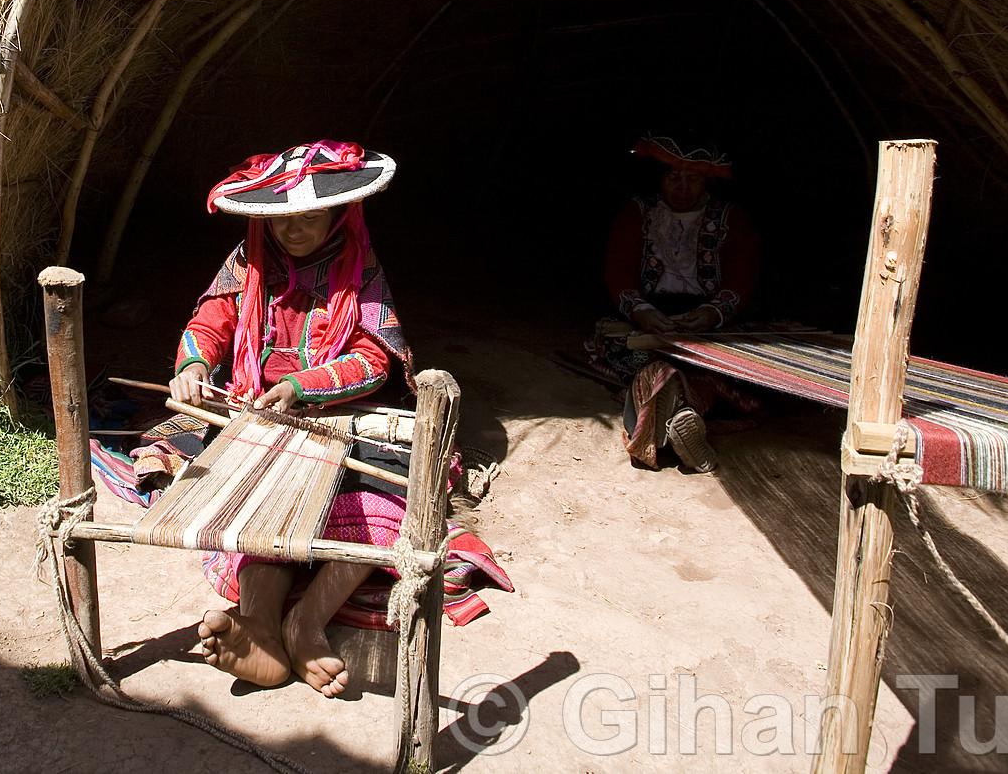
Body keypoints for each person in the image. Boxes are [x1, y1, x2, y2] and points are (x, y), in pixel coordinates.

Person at [157, 141, 508, 696]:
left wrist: (303, 386)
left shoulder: (356, 266)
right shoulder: (248, 261)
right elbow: (211, 320)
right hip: (257, 409)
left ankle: (306, 622)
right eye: (282, 220)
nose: (294, 231)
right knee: (257, 504)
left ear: (339, 213)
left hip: (346, 416)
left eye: (310, 217)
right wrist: (194, 364)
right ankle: (263, 627)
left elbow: (374, 356)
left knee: (382, 500)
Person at [587, 133, 761, 473]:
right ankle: (684, 416)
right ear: (659, 178)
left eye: (692, 178)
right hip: (650, 318)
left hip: (709, 322)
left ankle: (672, 416)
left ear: (706, 181)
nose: (682, 187)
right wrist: (644, 312)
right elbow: (618, 270)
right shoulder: (637, 213)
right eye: (674, 177)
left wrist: (710, 314)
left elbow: (743, 277)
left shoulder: (732, 219)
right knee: (639, 355)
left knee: (721, 366)